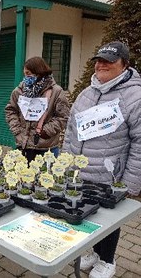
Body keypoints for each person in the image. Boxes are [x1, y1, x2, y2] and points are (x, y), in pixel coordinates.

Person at [62, 41, 141, 278]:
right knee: (89, 215)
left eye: (109, 60)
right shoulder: (88, 93)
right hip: (82, 172)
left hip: (111, 175)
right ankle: (96, 253)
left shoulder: (135, 96)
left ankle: (108, 260)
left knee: (108, 219)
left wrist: (130, 182)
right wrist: (66, 163)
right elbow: (70, 131)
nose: (101, 64)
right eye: (98, 60)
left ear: (125, 64)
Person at [5, 56, 70, 163]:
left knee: (45, 177)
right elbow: (10, 110)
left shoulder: (56, 92)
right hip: (24, 144)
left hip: (46, 147)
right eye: (25, 74)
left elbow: (63, 117)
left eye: (29, 74)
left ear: (39, 73)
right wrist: (17, 130)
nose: (26, 77)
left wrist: (46, 130)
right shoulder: (19, 91)